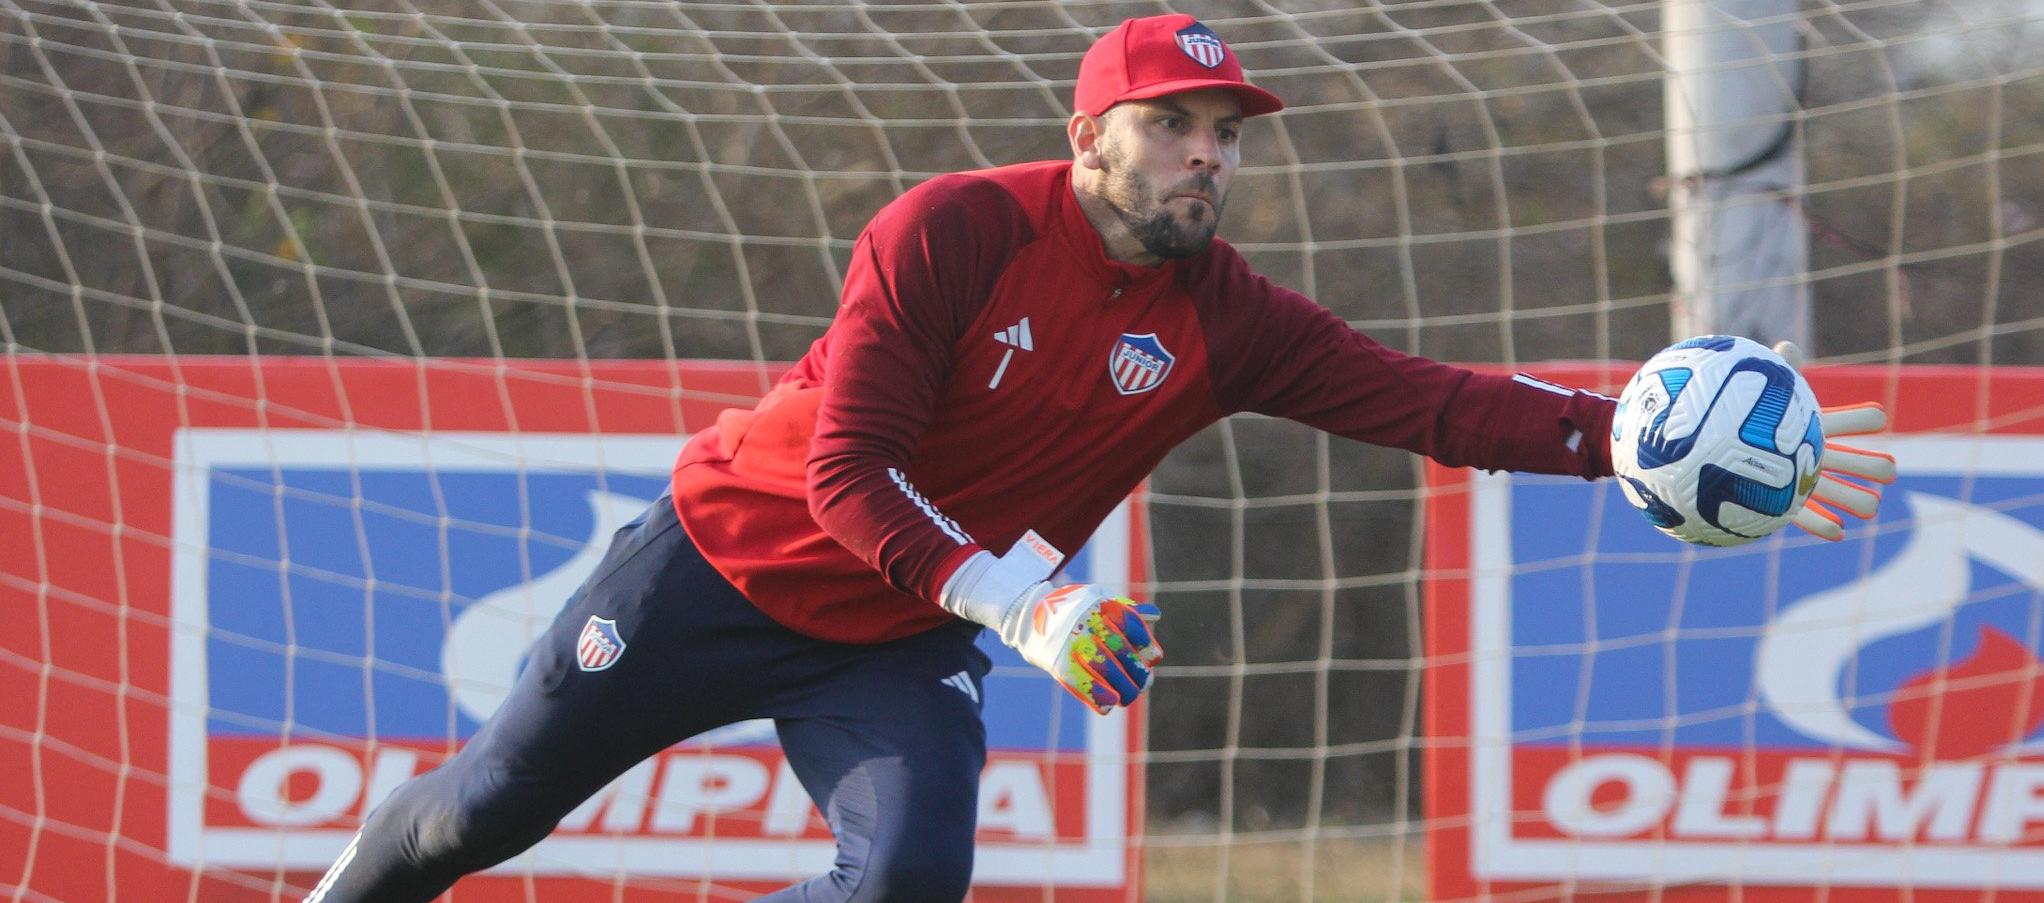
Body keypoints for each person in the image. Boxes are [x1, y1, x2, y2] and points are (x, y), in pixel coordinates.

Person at [304, 13, 1884, 903]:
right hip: (727, 560)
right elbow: (850, 475)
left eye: (1231, 130)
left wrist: (1643, 442)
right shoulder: (953, 230)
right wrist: (1027, 606)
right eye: (1180, 122)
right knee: (478, 815)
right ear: (1094, 140)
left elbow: (1430, 400)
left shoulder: (1229, 318)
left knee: (906, 889)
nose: (1213, 151)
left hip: (902, 640)